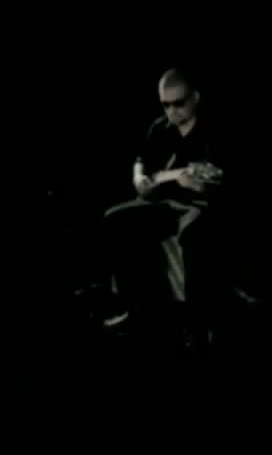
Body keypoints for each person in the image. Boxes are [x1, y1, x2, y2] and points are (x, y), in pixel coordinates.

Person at [98, 68, 229, 350]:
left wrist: (198, 185)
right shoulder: (160, 128)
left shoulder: (212, 131)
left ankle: (199, 328)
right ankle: (139, 312)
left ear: (195, 97)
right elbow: (141, 159)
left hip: (200, 207)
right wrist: (138, 177)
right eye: (165, 105)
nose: (172, 111)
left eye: (178, 103)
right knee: (115, 219)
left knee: (197, 236)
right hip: (164, 204)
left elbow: (217, 181)